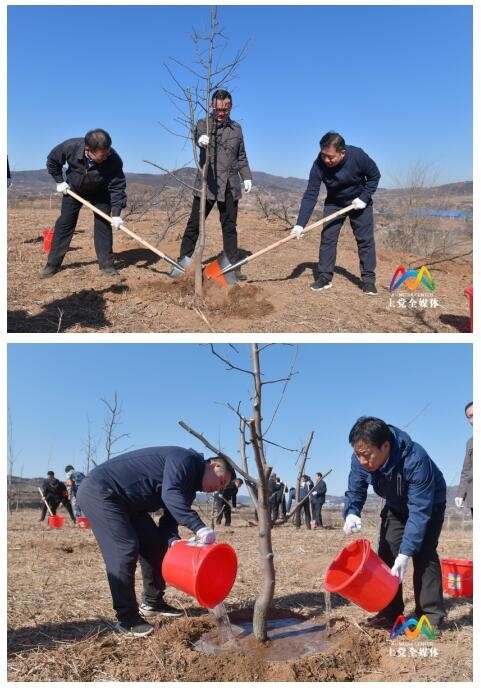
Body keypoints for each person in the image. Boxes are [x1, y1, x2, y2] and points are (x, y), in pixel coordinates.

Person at [76, 446, 233, 637]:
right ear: (213, 465)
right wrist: (199, 527)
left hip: (130, 504)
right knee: (124, 548)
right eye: (221, 480)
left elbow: (169, 521)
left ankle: (153, 602)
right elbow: (171, 494)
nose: (218, 488)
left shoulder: (189, 487)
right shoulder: (185, 460)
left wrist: (173, 541)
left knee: (155, 546)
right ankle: (127, 618)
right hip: (101, 491)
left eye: (223, 487)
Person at [343, 417, 447, 629]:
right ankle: (390, 612)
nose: (362, 461)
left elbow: (419, 510)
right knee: (388, 553)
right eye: (357, 454)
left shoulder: (416, 460)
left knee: (424, 554)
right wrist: (352, 511)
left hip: (429, 504)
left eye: (367, 455)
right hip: (395, 505)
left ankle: (430, 617)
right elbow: (356, 485)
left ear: (386, 446)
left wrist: (407, 551)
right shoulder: (361, 459)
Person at [290, 131, 381, 295]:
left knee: (365, 240)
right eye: (324, 155)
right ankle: (324, 277)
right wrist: (299, 224)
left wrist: (364, 197)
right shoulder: (319, 164)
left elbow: (375, 176)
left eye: (330, 157)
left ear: (342, 152)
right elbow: (311, 193)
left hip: (359, 203)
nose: (326, 160)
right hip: (334, 203)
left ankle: (368, 280)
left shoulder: (358, 156)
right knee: (328, 238)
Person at [178, 89, 252, 280]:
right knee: (194, 223)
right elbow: (198, 134)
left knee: (229, 226)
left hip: (230, 185)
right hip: (207, 184)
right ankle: (182, 263)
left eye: (225, 109)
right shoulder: (204, 124)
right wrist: (200, 139)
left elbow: (241, 156)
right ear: (212, 106)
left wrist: (246, 176)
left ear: (230, 107)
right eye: (218, 109)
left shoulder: (236, 129)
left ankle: (232, 267)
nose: (222, 112)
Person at [41, 129, 127, 279]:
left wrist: (116, 214)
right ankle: (52, 264)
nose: (106, 156)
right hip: (74, 189)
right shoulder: (71, 147)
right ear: (88, 150)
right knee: (65, 223)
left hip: (101, 192)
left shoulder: (113, 159)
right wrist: (59, 181)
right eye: (102, 154)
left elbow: (117, 187)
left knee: (103, 224)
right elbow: (53, 161)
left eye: (108, 152)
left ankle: (106, 265)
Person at [455, 401, 473, 516]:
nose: (472, 419)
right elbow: (466, 470)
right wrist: (460, 493)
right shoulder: (470, 443)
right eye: (469, 416)